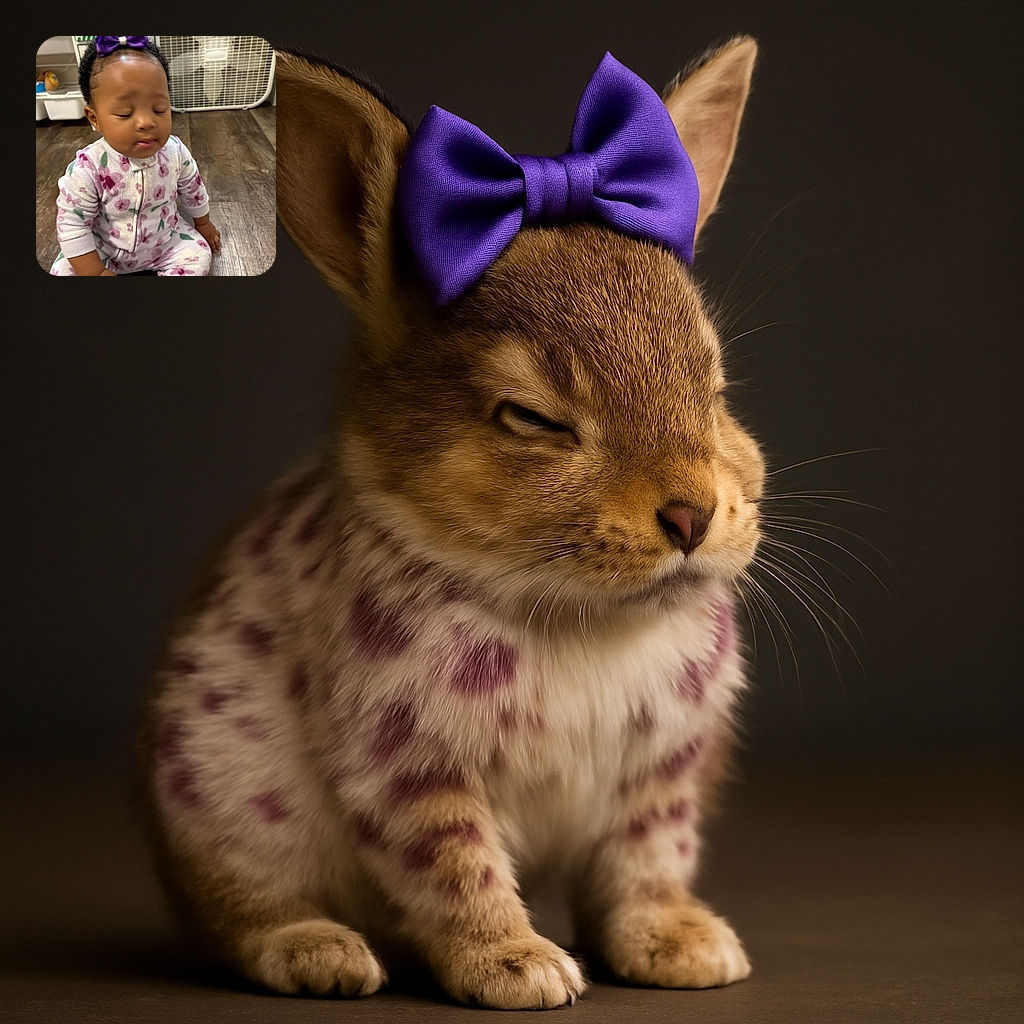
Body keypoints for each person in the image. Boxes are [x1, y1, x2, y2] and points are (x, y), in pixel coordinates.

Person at [49, 36, 222, 276]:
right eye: (124, 113)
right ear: (94, 119)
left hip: (165, 242)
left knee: (199, 255)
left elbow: (193, 188)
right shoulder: (87, 169)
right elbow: (72, 225)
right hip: (104, 250)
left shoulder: (175, 151)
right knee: (62, 271)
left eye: (159, 109)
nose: (146, 122)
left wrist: (203, 223)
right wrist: (95, 272)